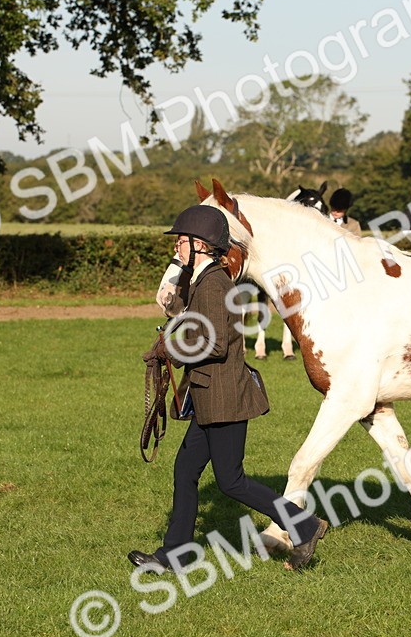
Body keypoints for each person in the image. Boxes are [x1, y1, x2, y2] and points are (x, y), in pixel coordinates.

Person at [129, 205, 328, 572]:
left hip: (223, 397)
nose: (177, 249)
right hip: (208, 395)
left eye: (181, 242)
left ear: (201, 244)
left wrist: (170, 350)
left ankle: (304, 525)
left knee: (231, 481)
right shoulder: (203, 282)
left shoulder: (215, 284)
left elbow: (216, 342)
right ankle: (177, 554)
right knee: (185, 470)